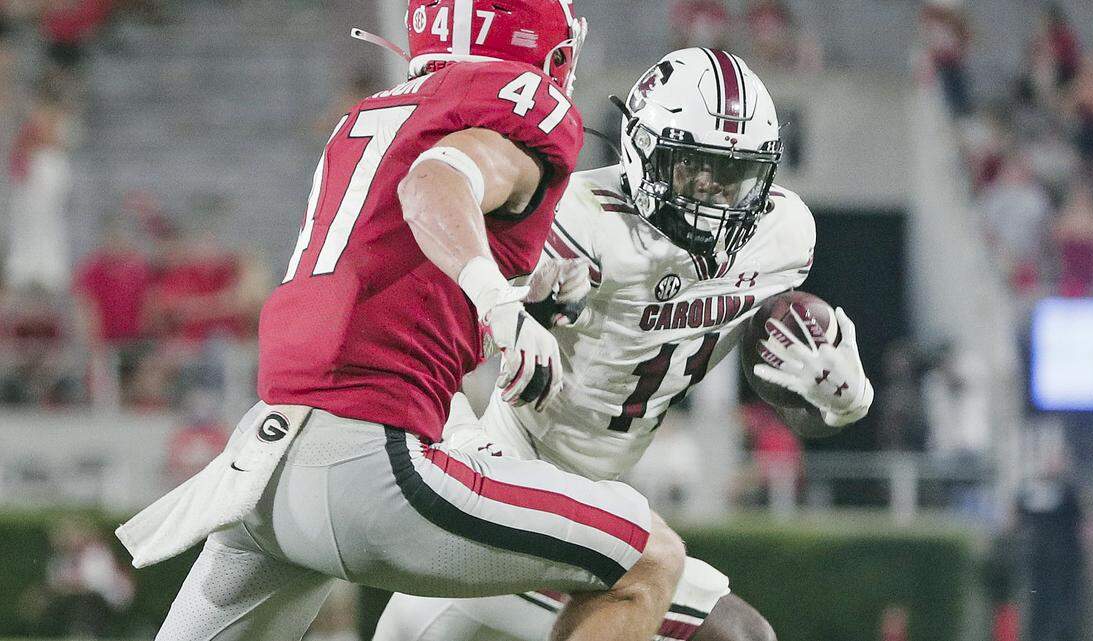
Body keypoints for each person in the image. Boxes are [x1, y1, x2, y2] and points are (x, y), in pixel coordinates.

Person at [118, 3, 690, 641]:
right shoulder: (518, 109)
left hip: (264, 466)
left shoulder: (375, 117)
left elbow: (388, 280)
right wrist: (497, 298)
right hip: (368, 466)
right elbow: (435, 183)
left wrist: (522, 299)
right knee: (647, 560)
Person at [373, 48, 873, 641]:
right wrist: (463, 431)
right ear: (641, 150)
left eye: (734, 175)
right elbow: (427, 332)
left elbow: (797, 405)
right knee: (733, 633)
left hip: (590, 493)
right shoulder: (578, 218)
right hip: (503, 472)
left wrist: (839, 400)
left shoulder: (781, 237)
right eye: (693, 168)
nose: (713, 197)